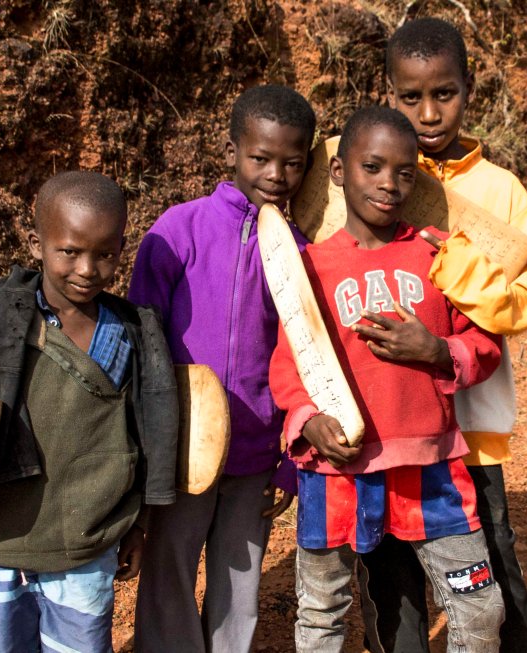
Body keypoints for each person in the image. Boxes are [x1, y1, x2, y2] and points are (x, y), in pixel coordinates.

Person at [269, 105, 505, 653]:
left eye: (404, 172)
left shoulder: (441, 254)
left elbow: (485, 346)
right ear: (338, 173)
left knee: (479, 606)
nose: (389, 185)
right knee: (322, 614)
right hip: (336, 472)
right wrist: (310, 421)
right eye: (372, 167)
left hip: (431, 468)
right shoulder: (311, 266)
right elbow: (289, 363)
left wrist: (438, 350)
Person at [357, 17, 527, 653]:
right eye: (410, 97)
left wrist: (450, 258)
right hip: (389, 420)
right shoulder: (372, 181)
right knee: (393, 571)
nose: (429, 112)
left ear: (470, 89)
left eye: (444, 93)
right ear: (389, 92)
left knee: (489, 559)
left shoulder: (503, 193)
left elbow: (526, 303)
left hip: (473, 422)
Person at [0, 171, 179, 653]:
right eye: (70, 251)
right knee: (10, 643)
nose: (87, 269)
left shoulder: (129, 334)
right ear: (36, 241)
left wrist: (139, 524)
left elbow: (148, 436)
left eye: (105, 254)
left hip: (90, 542)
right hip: (11, 539)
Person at [129, 84, 316, 653]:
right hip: (183, 452)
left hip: (257, 456)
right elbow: (143, 344)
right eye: (260, 157)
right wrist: (147, 451)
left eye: (292, 162)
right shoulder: (176, 232)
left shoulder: (299, 254)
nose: (276, 174)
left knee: (240, 589)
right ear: (232, 150)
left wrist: (290, 464)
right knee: (168, 577)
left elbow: (309, 362)